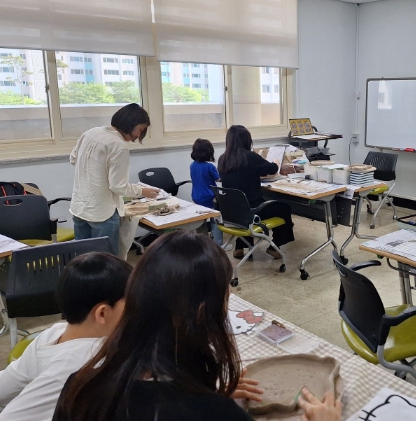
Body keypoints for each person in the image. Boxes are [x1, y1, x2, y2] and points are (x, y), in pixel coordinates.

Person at [53, 232, 341, 421]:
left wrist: (206, 395)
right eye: (226, 294)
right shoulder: (216, 414)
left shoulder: (80, 387)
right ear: (204, 312)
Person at [0, 252, 131, 421]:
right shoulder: (85, 363)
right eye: (130, 302)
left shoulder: (53, 334)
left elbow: (6, 384)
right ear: (102, 313)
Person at [70, 104, 158, 256]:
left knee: (83, 260)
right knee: (107, 262)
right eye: (140, 129)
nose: (138, 135)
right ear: (131, 124)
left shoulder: (91, 133)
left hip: (79, 208)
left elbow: (73, 159)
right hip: (102, 213)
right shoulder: (118, 146)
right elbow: (118, 186)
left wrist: (95, 173)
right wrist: (142, 191)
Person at [217, 125, 294, 260]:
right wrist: (276, 162)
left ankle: (239, 247)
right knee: (284, 208)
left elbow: (241, 175)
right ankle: (275, 246)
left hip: (232, 213)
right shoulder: (250, 157)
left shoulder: (223, 159)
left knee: (243, 204)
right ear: (247, 140)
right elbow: (271, 169)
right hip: (252, 212)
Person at [190, 138, 223, 246]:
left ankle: (203, 244)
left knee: (201, 222)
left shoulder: (192, 165)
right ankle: (218, 244)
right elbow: (218, 179)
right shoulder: (209, 166)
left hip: (196, 197)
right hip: (210, 197)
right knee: (216, 219)